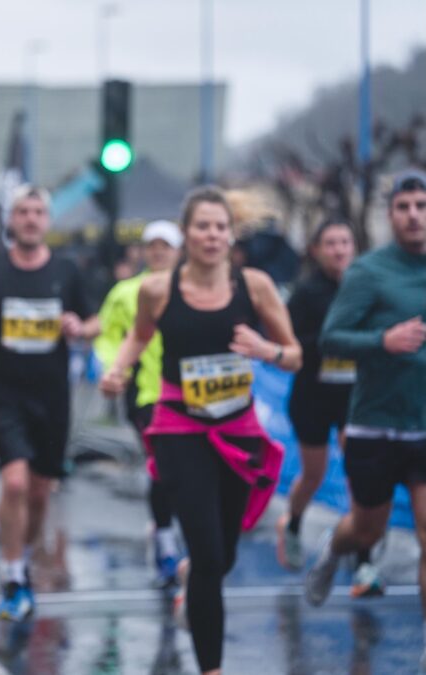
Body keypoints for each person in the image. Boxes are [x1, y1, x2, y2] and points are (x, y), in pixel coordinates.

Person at [100, 186, 301, 675]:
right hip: (178, 427)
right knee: (209, 550)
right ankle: (211, 667)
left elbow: (295, 354)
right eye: (202, 226)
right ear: (186, 233)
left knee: (222, 555)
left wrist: (266, 349)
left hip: (237, 428)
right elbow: (140, 335)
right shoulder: (158, 289)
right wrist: (119, 369)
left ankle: (191, 576)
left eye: (220, 226)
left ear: (231, 234)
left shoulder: (254, 287)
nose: (212, 235)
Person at [305, 169, 426, 666]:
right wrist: (383, 341)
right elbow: (331, 339)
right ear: (390, 214)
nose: (415, 215)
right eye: (404, 207)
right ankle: (335, 553)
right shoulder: (369, 272)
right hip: (375, 425)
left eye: (422, 205)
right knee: (367, 531)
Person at [0, 184, 97, 621]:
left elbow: (94, 319)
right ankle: (12, 571)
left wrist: (79, 327)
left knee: (41, 493)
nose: (30, 219)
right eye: (22, 211)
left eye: (37, 212)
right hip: (4, 394)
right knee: (14, 483)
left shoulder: (67, 270)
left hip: (52, 397)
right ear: (11, 220)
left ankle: (21, 554)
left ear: (47, 221)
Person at [277, 219, 381, 596]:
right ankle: (292, 522)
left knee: (362, 479)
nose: (338, 250)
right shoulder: (306, 293)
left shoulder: (366, 287)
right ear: (317, 250)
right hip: (312, 397)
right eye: (330, 243)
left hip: (353, 398)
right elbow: (287, 339)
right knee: (314, 475)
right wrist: (331, 343)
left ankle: (365, 561)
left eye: (344, 242)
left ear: (354, 248)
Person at [93, 219, 183, 587]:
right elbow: (108, 336)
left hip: (190, 394)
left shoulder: (192, 290)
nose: (159, 251)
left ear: (179, 252)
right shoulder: (127, 292)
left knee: (185, 470)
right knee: (163, 465)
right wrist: (116, 369)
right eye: (153, 245)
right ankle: (165, 541)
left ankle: (172, 531)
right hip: (145, 394)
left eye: (166, 246)